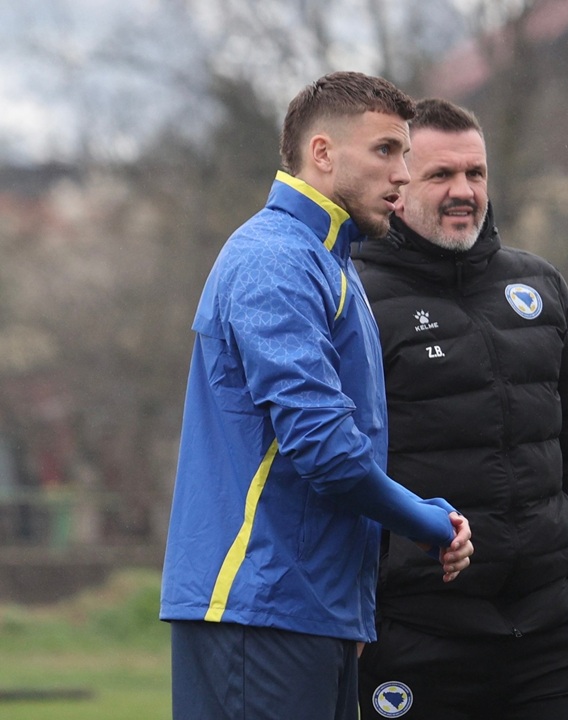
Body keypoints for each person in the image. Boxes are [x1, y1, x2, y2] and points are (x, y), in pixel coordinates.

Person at [159, 71, 474, 720]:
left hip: (307, 610)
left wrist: (349, 608)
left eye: (406, 154)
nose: (403, 175)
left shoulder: (330, 262)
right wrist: (427, 522)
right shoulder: (274, 257)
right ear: (323, 154)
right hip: (256, 605)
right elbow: (325, 449)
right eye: (386, 150)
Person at [353, 98, 568, 720]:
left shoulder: (540, 286)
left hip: (557, 633)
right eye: (440, 175)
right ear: (399, 183)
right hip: (416, 634)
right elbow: (332, 466)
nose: (463, 191)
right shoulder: (353, 296)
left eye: (475, 174)